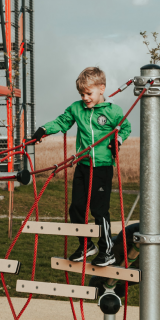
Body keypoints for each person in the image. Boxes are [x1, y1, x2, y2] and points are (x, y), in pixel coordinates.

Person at [33, 66, 131, 266]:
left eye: (89, 93)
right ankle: (86, 245)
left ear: (101, 89)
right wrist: (44, 129)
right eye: (82, 94)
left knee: (99, 209)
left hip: (102, 167)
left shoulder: (113, 111)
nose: (85, 97)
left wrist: (117, 140)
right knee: (76, 207)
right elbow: (63, 121)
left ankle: (107, 251)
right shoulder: (77, 108)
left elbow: (125, 127)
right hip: (83, 165)